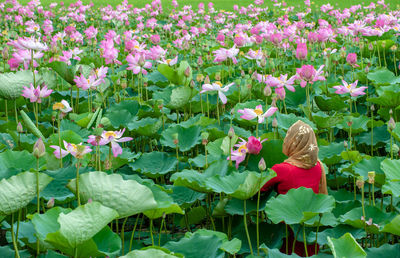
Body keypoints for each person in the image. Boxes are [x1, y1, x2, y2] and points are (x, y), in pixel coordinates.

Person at [261, 120, 328, 257]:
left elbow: (257, 188)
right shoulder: (318, 166)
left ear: (292, 141)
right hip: (310, 233)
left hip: (287, 232)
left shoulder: (282, 169)